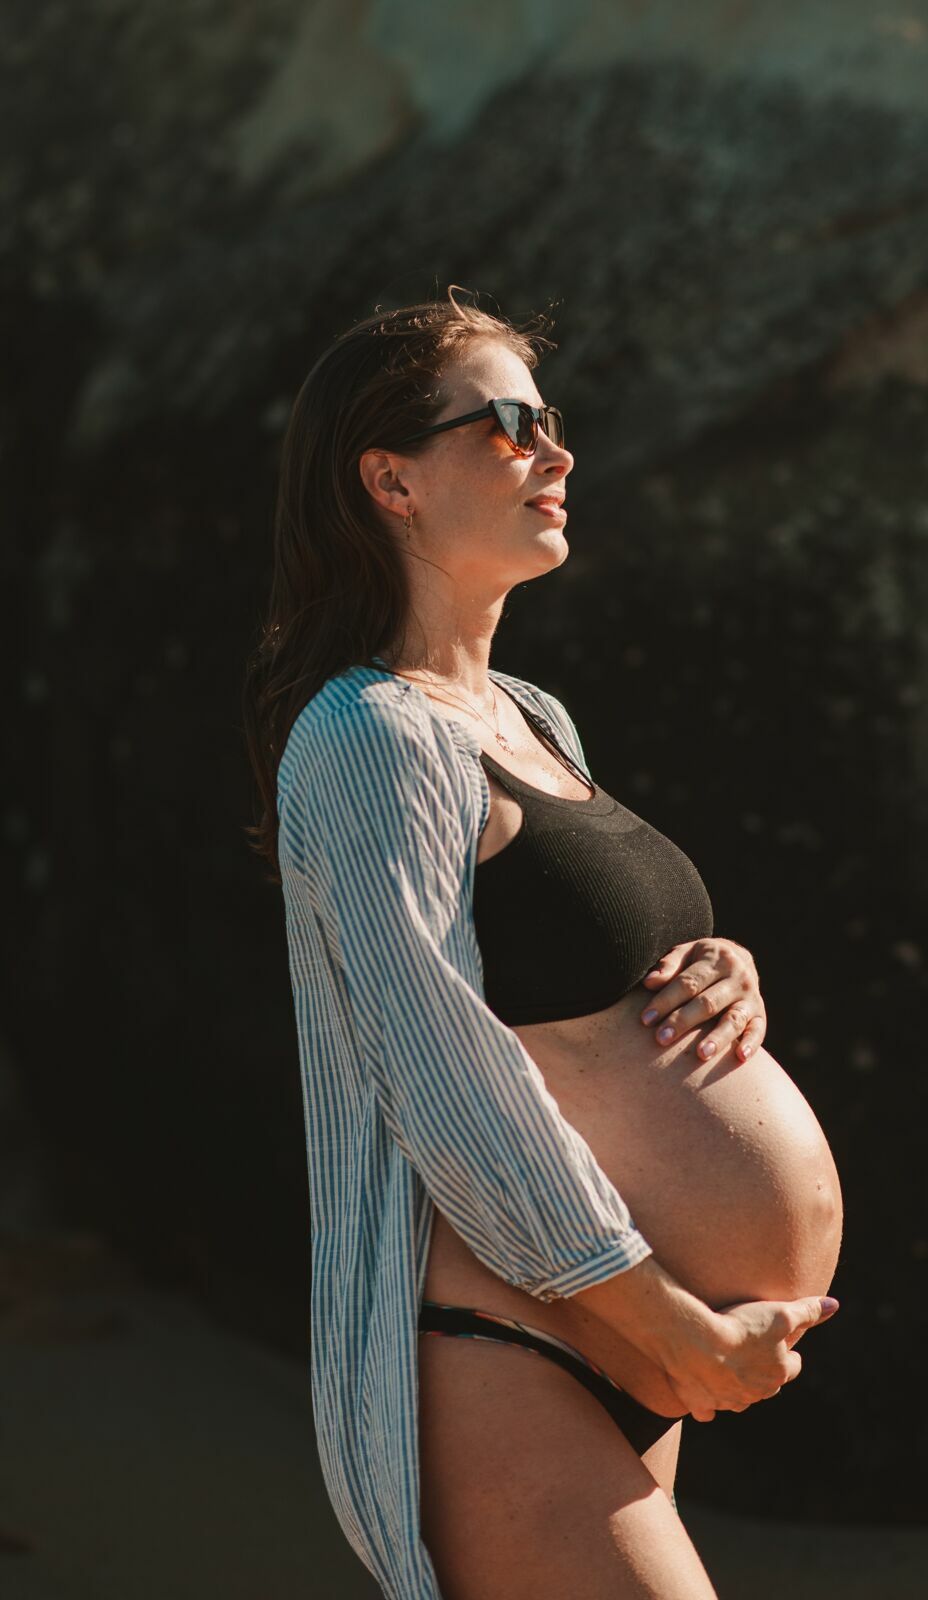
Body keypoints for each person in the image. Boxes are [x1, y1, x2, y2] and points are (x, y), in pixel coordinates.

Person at [242, 286, 840, 1600]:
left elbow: (565, 980)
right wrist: (662, 1318)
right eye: (508, 425)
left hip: (620, 1336)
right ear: (390, 479)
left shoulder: (532, 717)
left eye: (551, 420)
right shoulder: (365, 737)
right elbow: (439, 1067)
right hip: (515, 1340)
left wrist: (711, 965)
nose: (557, 455)